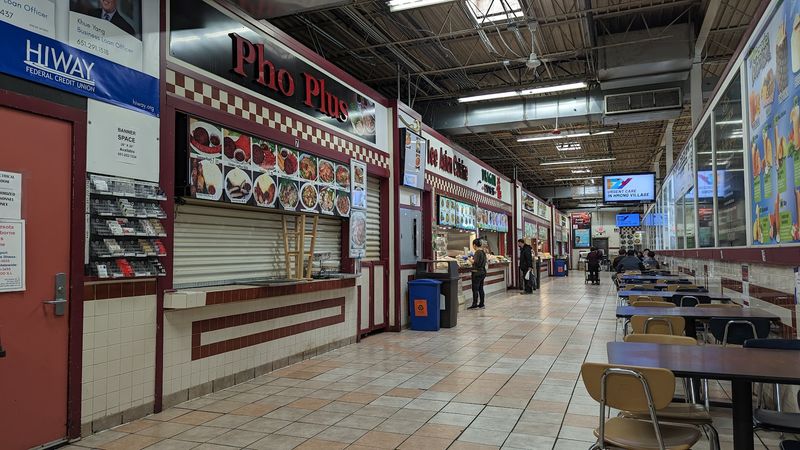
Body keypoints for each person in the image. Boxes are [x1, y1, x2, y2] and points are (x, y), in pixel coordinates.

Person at [468, 239, 487, 309]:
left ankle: (474, 304)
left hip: (477, 272)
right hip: (482, 272)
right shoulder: (483, 252)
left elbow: (475, 262)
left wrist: (468, 258)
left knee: (475, 289)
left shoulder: (477, 252)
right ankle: (482, 304)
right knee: (481, 288)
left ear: (474, 245)